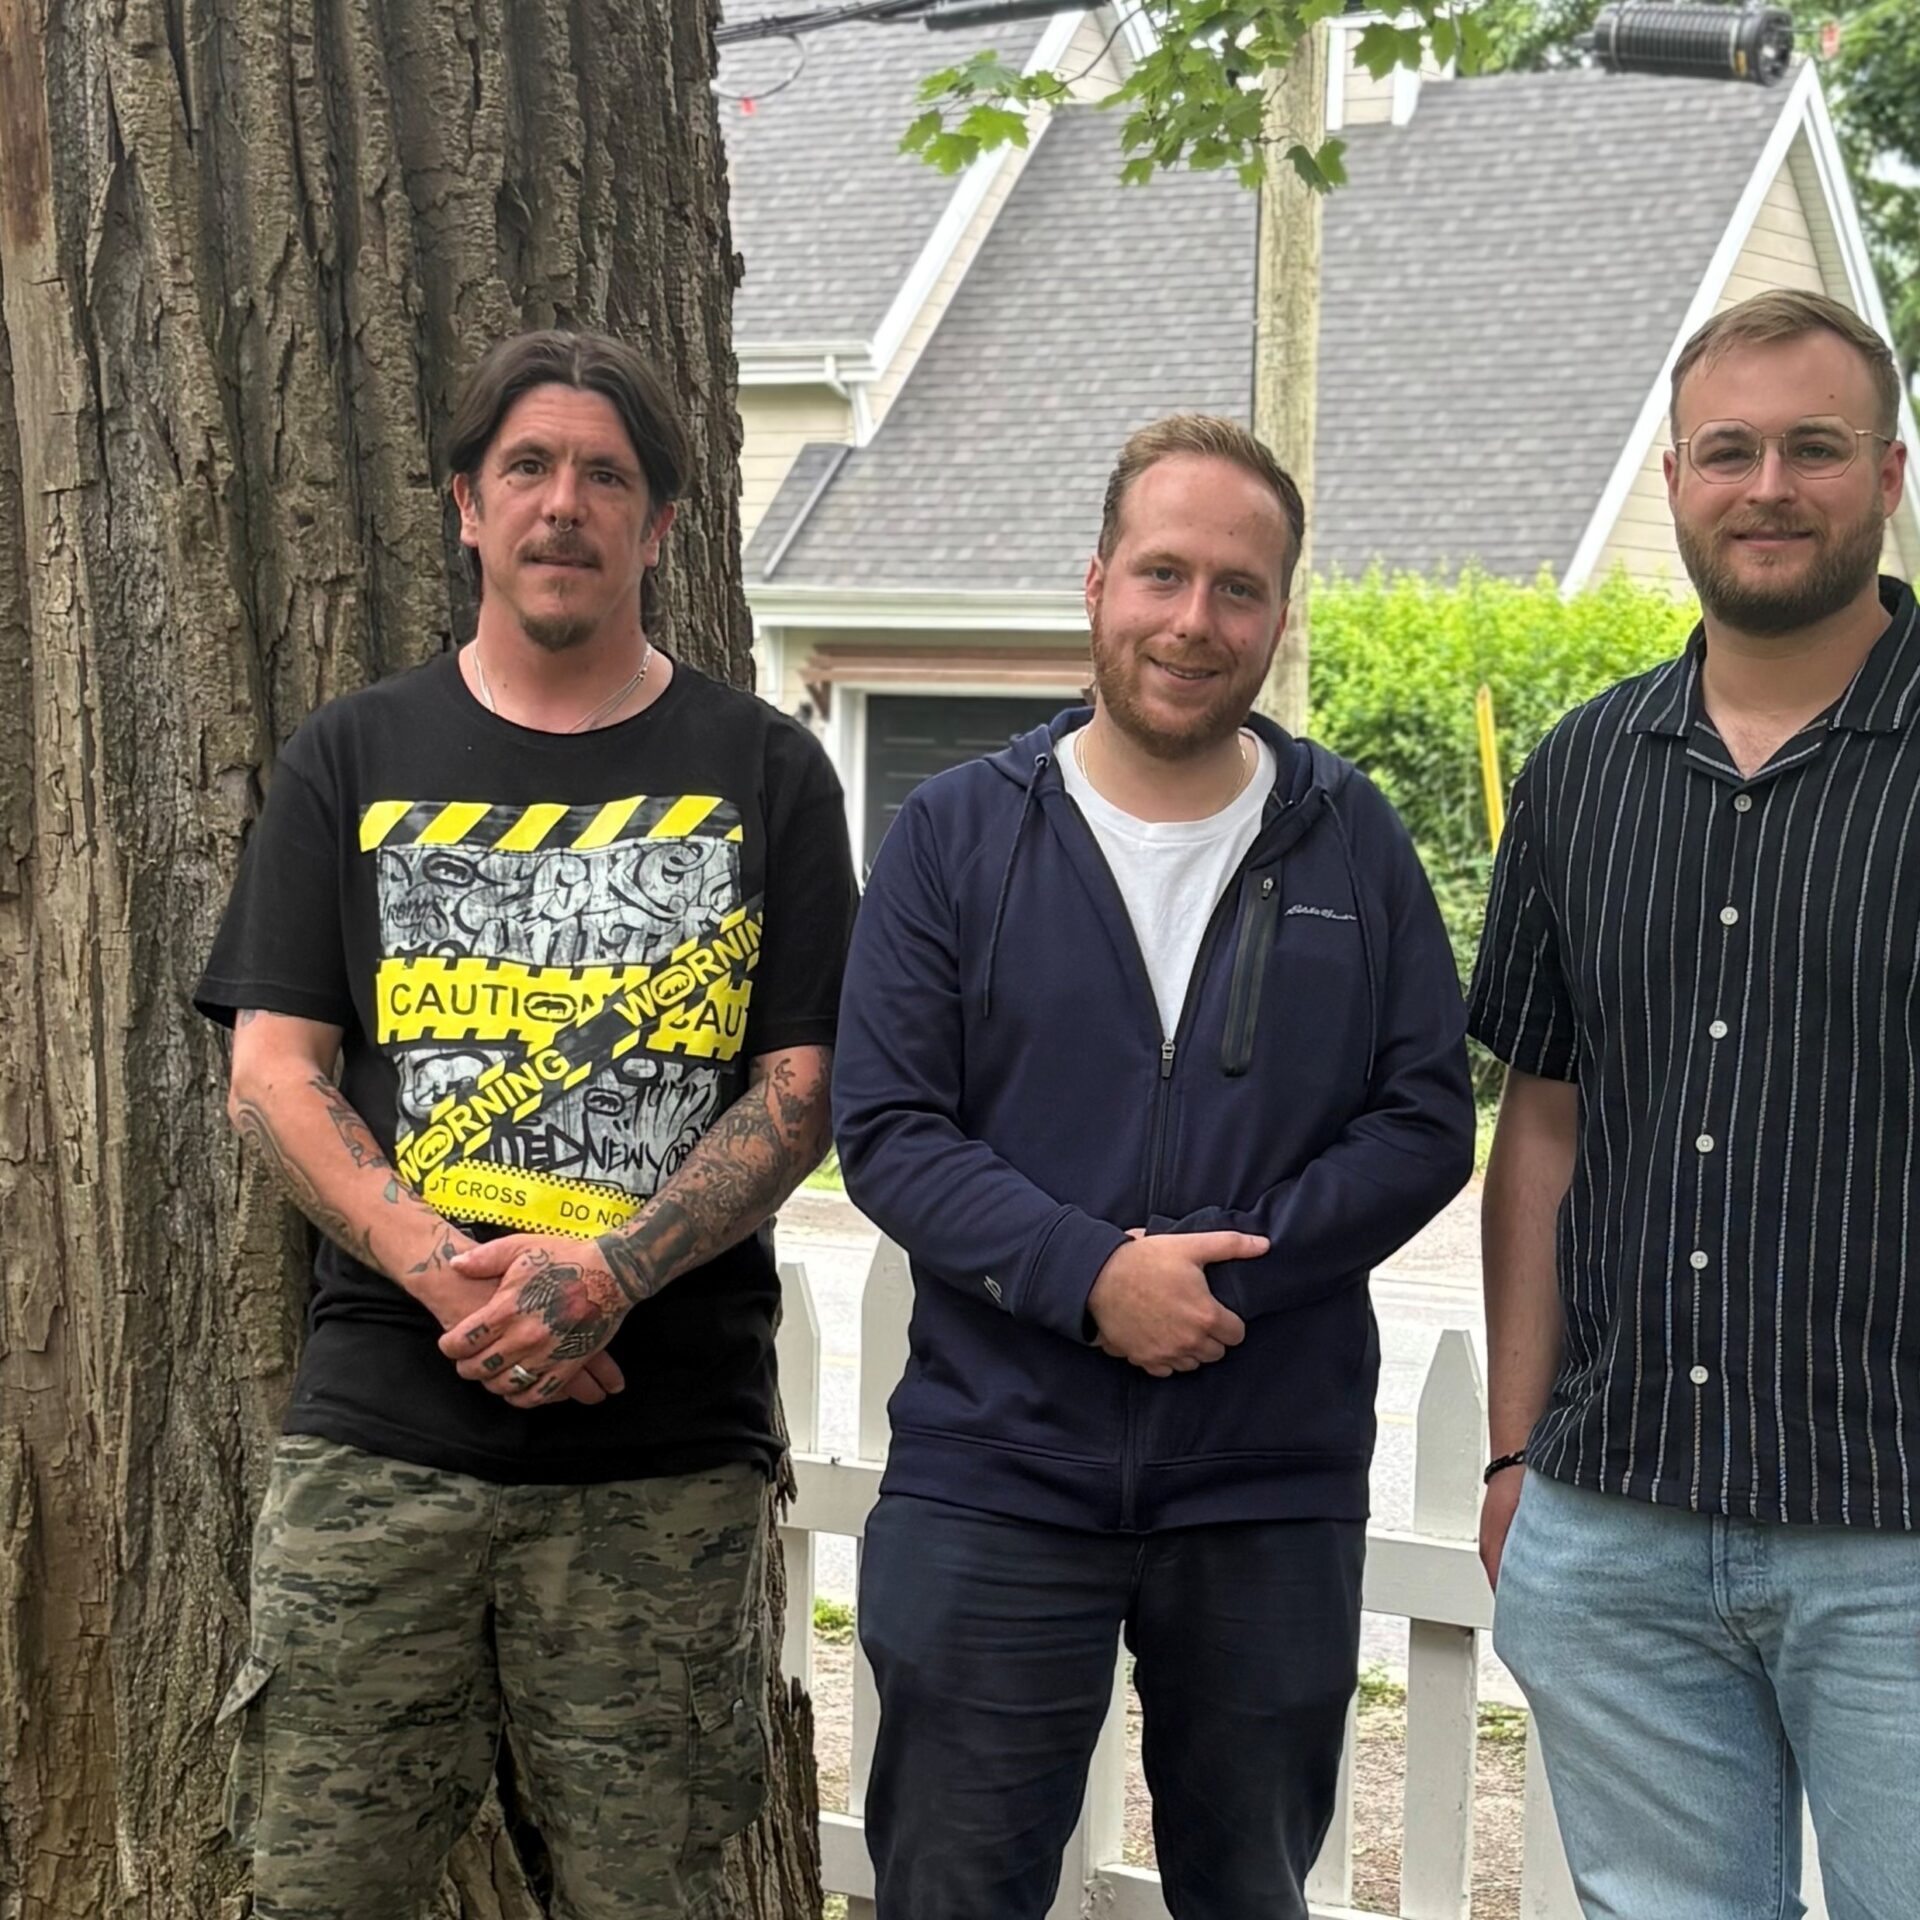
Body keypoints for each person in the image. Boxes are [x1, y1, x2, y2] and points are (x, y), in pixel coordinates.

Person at [195, 328, 857, 1920]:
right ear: (467, 509)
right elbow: (273, 1068)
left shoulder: (765, 770)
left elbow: (805, 1087)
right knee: (313, 1890)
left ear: (663, 526)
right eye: (529, 471)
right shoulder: (350, 758)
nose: (566, 506)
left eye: (607, 476)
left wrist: (611, 1273)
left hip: (664, 1459)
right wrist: (443, 1269)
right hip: (384, 1446)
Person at [832, 414, 1476, 1920]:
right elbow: (894, 1127)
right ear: (1098, 583)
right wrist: (1094, 1278)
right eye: (1163, 575)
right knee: (952, 1890)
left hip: (1265, 1481)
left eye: (1238, 589)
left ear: (1277, 614)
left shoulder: (1351, 842)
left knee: (1250, 1894)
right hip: (997, 1470)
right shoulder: (955, 837)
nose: (1196, 621)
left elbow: (1426, 1115)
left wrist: (1232, 1277)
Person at [1471, 288, 1918, 1920]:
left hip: (1897, 1529)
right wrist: (1516, 1452)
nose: (1770, 486)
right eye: (1728, 452)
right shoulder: (1583, 769)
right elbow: (1541, 1123)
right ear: (1673, 479)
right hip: (1621, 1512)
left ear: (1884, 470)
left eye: (1813, 447)